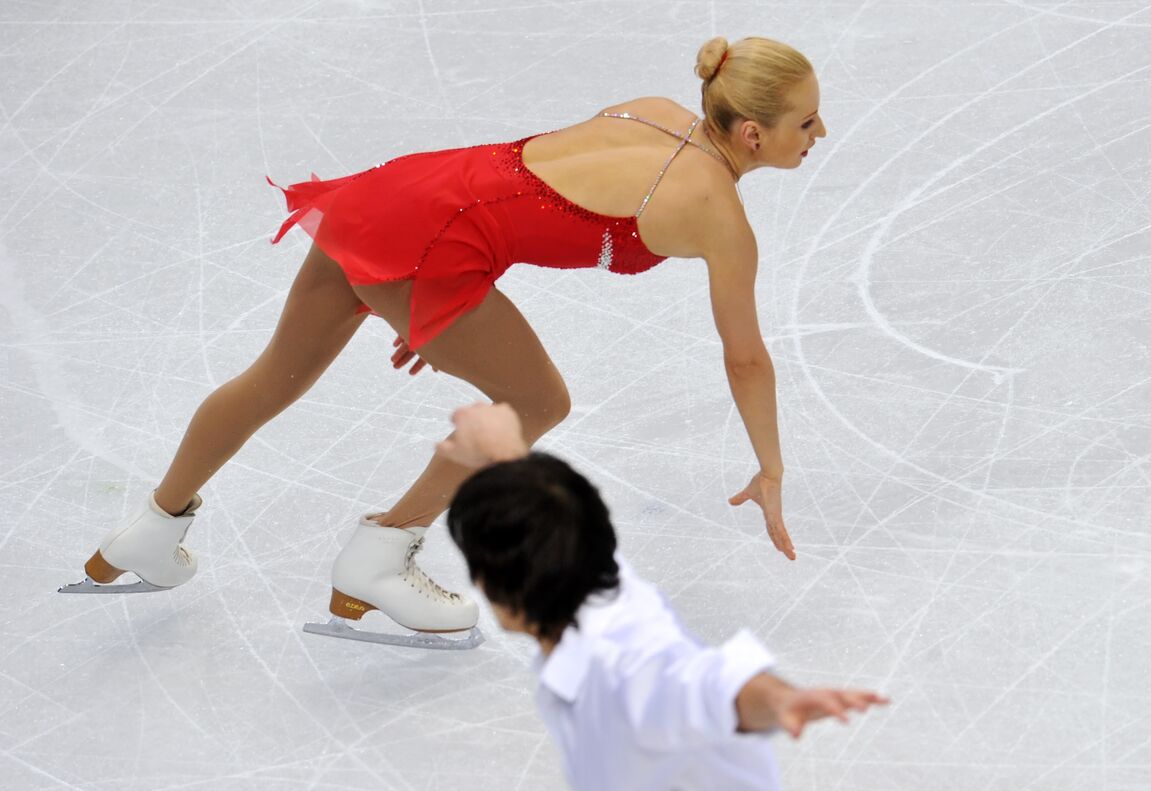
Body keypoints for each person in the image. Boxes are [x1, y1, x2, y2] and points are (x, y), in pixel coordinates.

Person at [63, 36, 827, 646]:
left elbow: (528, 203)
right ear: (753, 132)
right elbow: (745, 357)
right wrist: (770, 466)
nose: (819, 133)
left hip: (402, 196)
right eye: (807, 121)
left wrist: (427, 307)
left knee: (272, 378)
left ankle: (150, 532)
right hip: (437, 243)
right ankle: (381, 556)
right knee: (536, 400)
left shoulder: (651, 108)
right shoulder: (714, 210)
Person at [441, 402, 944, 791]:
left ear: (493, 589)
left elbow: (706, 687)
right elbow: (551, 522)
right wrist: (503, 455)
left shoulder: (623, 675)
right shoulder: (606, 593)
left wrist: (774, 700)